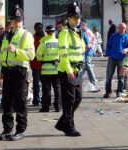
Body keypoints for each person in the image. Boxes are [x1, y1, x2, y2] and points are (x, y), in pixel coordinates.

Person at [0, 7, 35, 141]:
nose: (17, 23)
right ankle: (7, 129)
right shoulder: (7, 35)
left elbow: (31, 55)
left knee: (21, 102)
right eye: (14, 20)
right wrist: (1, 72)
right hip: (7, 72)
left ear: (22, 21)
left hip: (20, 72)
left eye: (19, 20)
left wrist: (16, 51)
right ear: (10, 22)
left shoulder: (26, 35)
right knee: (6, 102)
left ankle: (20, 130)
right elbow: (2, 55)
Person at [55, 3, 85, 136]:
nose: (77, 20)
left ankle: (63, 122)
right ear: (68, 18)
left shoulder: (78, 32)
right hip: (67, 71)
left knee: (78, 97)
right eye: (74, 18)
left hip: (77, 70)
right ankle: (69, 126)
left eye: (78, 17)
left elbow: (81, 50)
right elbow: (64, 54)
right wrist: (69, 70)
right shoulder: (64, 33)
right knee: (69, 100)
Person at [36, 25, 61, 112]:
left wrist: (43, 59)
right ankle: (58, 107)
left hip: (46, 70)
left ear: (46, 32)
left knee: (46, 90)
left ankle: (46, 107)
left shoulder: (44, 43)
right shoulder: (59, 42)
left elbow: (38, 56)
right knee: (57, 89)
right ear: (54, 32)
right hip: (57, 69)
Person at [103, 23, 128, 98]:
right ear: (118, 28)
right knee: (109, 75)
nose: (123, 29)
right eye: (121, 28)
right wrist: (107, 53)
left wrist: (127, 49)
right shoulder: (113, 36)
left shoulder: (126, 37)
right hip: (112, 58)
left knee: (121, 76)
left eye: (124, 28)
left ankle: (119, 91)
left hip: (121, 59)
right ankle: (108, 91)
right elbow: (108, 45)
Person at [80, 21, 99, 91]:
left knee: (87, 64)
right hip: (88, 51)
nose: (80, 28)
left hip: (88, 51)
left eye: (81, 26)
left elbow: (89, 44)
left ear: (84, 26)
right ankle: (91, 82)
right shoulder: (87, 31)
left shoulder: (87, 32)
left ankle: (93, 82)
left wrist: (84, 50)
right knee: (84, 66)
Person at [30, 22, 45, 105]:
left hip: (44, 65)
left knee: (44, 84)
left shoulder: (45, 38)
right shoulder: (32, 38)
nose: (39, 29)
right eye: (37, 28)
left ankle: (44, 99)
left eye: (40, 28)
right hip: (35, 64)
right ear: (35, 29)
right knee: (36, 84)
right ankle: (36, 99)